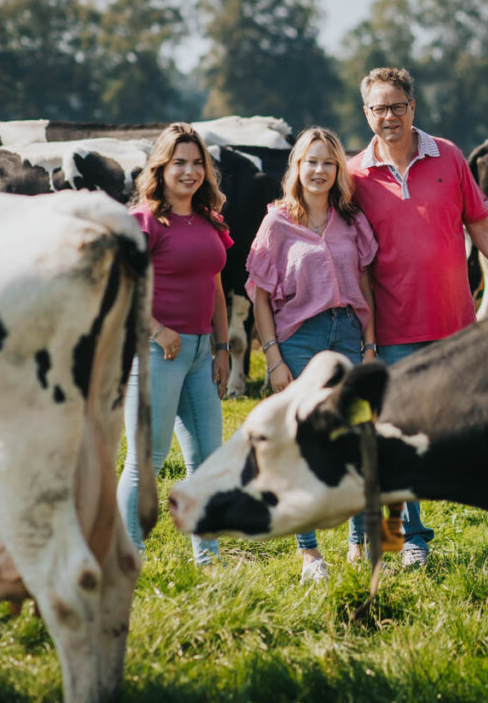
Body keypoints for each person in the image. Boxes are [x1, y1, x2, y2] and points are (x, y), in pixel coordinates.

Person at [347, 66, 488, 568]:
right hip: (391, 331)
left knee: (480, 432)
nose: (389, 116)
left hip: (457, 327)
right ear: (366, 113)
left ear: (413, 108)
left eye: (397, 106)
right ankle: (404, 542)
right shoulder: (353, 175)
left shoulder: (449, 156)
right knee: (392, 438)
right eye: (378, 108)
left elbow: (480, 227)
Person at [247, 127, 378, 583]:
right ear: (297, 168)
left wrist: (369, 344)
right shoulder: (277, 222)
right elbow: (261, 296)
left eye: (328, 163)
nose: (319, 171)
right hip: (298, 338)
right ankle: (310, 554)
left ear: (338, 170)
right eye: (311, 162)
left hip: (347, 335)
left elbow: (364, 285)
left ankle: (359, 544)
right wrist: (273, 358)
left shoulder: (352, 221)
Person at [116, 122, 232, 569]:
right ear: (161, 167)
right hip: (156, 351)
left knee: (206, 460)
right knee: (148, 459)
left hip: (202, 354)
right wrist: (156, 329)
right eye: (179, 162)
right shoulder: (143, 220)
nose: (189, 171)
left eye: (197, 162)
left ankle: (208, 559)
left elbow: (216, 286)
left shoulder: (209, 219)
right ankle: (129, 555)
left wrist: (221, 348)